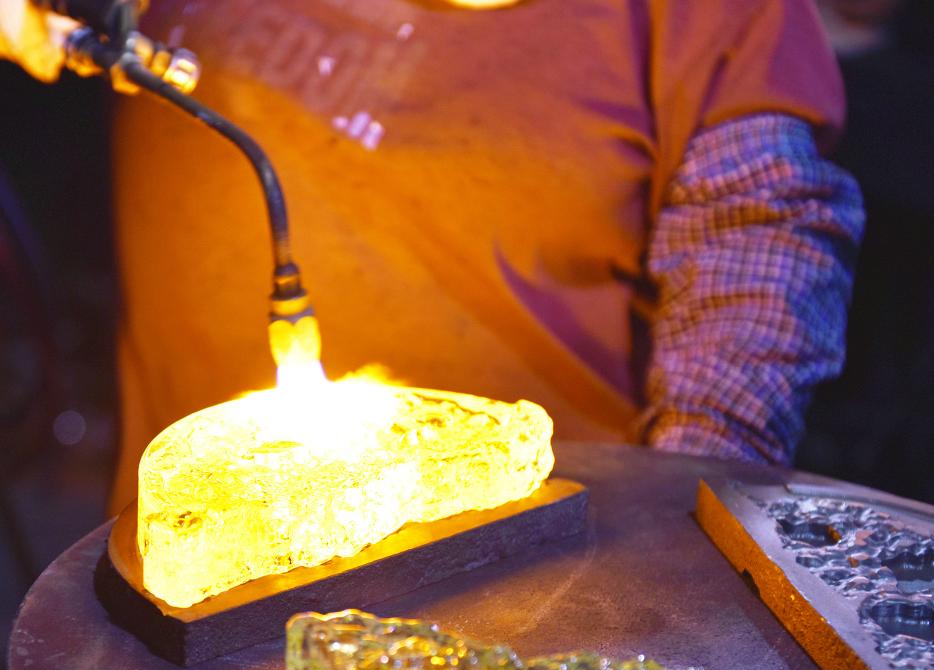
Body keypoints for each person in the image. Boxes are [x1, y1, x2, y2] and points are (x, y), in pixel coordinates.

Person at [2, 0, 864, 514]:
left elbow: (757, 249)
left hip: (524, 608)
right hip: (190, 575)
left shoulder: (708, 18)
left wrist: (674, 525)